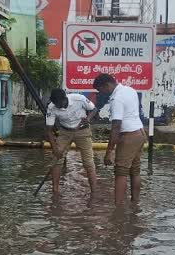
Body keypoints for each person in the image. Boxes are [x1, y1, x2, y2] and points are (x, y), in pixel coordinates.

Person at [93, 73, 145, 204]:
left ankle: (118, 209)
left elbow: (116, 126)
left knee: (120, 172)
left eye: (101, 90)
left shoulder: (117, 99)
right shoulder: (129, 90)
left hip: (129, 136)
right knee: (135, 170)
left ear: (107, 85)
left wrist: (109, 152)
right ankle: (135, 203)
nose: (102, 93)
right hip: (140, 132)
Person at [44, 88, 97, 196]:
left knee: (88, 162)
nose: (58, 106)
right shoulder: (51, 107)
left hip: (82, 130)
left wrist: (88, 118)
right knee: (56, 160)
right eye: (56, 104)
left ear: (65, 99)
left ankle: (94, 192)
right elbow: (49, 130)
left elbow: (94, 109)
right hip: (64, 132)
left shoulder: (79, 99)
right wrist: (55, 149)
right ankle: (55, 191)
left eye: (60, 104)